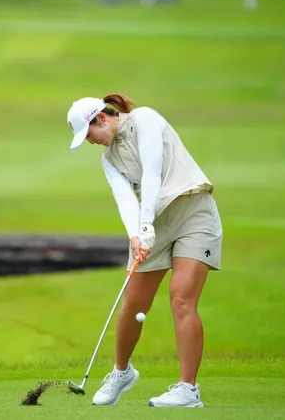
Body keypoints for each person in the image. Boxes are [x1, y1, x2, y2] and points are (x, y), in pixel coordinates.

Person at [66, 94, 223, 408]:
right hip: (153, 225)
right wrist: (136, 235)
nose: (90, 142)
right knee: (133, 303)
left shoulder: (145, 119)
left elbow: (152, 171)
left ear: (101, 118)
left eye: (89, 134)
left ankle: (187, 390)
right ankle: (121, 372)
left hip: (194, 213)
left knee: (181, 298)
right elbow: (125, 200)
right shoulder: (109, 159)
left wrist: (145, 222)